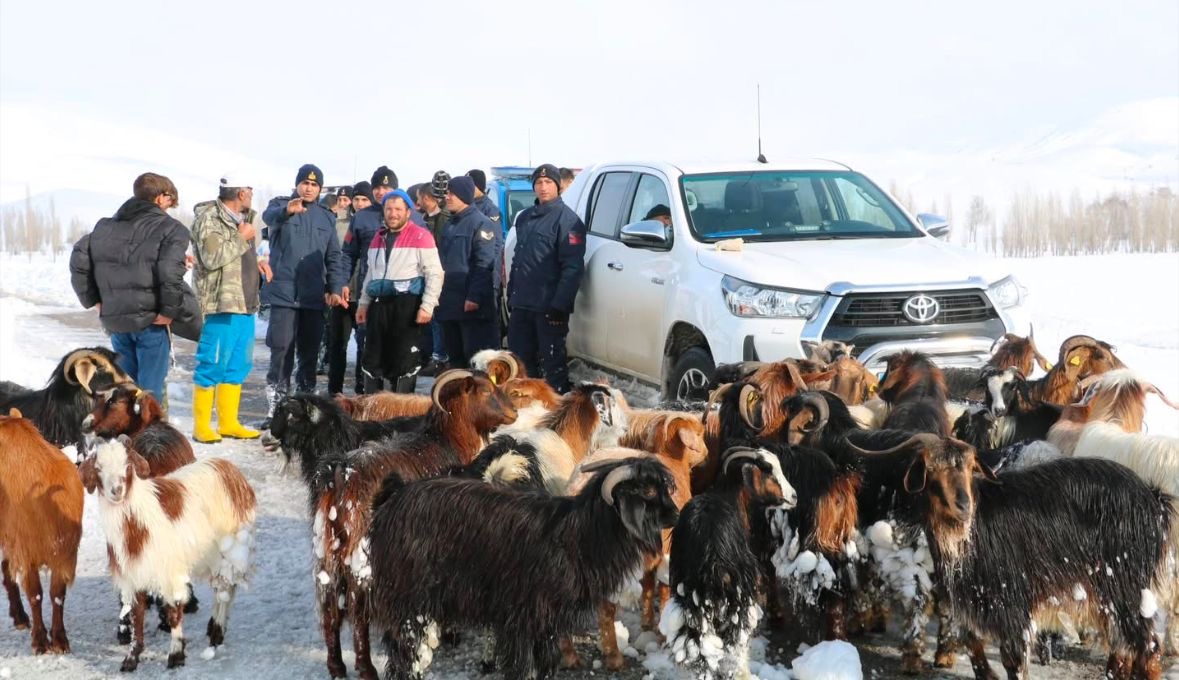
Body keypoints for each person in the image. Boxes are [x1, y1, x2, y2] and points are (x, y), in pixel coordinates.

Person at [70, 172, 189, 404]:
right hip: (151, 322)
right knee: (149, 394)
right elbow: (169, 271)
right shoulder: (172, 228)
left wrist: (94, 300)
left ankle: (126, 426)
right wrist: (169, 311)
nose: (169, 208)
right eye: (169, 202)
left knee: (125, 388)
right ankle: (148, 426)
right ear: (160, 197)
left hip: (116, 322)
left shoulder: (105, 226)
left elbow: (79, 261)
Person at [189, 175, 272, 442]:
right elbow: (211, 257)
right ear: (241, 193)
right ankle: (202, 426)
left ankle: (228, 423)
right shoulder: (209, 218)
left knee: (238, 365)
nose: (252, 193)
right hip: (221, 305)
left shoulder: (242, 219)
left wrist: (256, 261)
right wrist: (241, 238)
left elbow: (234, 257)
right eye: (250, 189)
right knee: (212, 363)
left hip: (244, 303)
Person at [260, 164, 345, 422]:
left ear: (320, 189)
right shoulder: (280, 206)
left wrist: (334, 287)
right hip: (284, 294)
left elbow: (333, 256)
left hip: (313, 296)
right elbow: (268, 217)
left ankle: (305, 407)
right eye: (305, 183)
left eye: (314, 185)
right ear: (297, 184)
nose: (308, 188)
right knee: (281, 351)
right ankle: (277, 408)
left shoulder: (326, 217)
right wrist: (287, 211)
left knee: (309, 354)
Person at [506, 164, 586, 393]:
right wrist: (511, 293)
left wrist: (560, 305)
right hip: (522, 304)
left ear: (558, 186)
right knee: (520, 366)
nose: (543, 187)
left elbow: (573, 267)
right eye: (539, 183)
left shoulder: (568, 221)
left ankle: (556, 408)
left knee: (553, 367)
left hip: (548, 307)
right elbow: (518, 259)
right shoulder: (525, 218)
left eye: (548, 182)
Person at [355, 190, 442, 394]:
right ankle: (373, 407)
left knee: (404, 361)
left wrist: (427, 306)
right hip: (379, 305)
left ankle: (401, 408)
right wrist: (363, 303)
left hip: (407, 305)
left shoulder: (421, 236)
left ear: (408, 212)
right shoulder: (378, 237)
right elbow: (371, 274)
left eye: (398, 209)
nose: (393, 214)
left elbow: (435, 273)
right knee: (373, 360)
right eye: (389, 209)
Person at [436, 176, 501, 367]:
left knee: (476, 360)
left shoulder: (481, 223)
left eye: (452, 193)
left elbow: (484, 263)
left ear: (464, 195)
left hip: (471, 307)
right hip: (450, 303)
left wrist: (474, 297)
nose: (447, 197)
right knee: (456, 359)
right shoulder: (449, 224)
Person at [326, 181, 371, 395]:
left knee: (365, 345)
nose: (359, 204)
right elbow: (332, 258)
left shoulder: (376, 223)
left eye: (364, 199)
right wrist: (333, 286)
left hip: (365, 295)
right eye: (357, 199)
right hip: (342, 294)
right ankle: (334, 391)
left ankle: (362, 390)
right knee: (337, 345)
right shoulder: (338, 223)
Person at [317, 185, 355, 375]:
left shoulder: (357, 222)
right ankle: (323, 359)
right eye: (340, 200)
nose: (342, 203)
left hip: (353, 282)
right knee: (329, 327)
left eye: (346, 200)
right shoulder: (332, 221)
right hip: (334, 279)